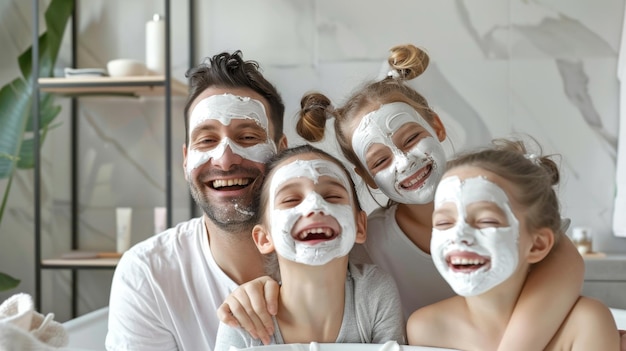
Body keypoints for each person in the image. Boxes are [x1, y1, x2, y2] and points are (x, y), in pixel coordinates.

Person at [217, 43, 587, 351]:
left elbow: (562, 258)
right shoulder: (372, 241)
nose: (405, 160)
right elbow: (312, 272)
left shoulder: (498, 191)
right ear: (369, 179)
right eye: (379, 160)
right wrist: (263, 286)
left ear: (437, 126)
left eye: (410, 138)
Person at [105, 50, 287, 351]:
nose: (225, 160)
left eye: (247, 137)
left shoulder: (336, 253)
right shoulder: (149, 275)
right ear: (186, 158)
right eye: (207, 140)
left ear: (282, 152)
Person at [407, 137, 620, 350]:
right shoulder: (427, 327)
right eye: (444, 223)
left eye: (486, 221)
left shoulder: (586, 323)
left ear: (537, 245)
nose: (459, 235)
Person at [213, 145, 405, 350]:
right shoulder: (245, 317)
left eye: (332, 197)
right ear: (264, 239)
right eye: (291, 200)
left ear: (359, 226)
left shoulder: (374, 293)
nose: (315, 205)